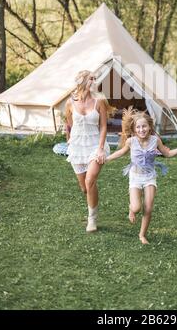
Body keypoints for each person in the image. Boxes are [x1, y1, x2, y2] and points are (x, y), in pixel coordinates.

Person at [105, 108, 177, 245]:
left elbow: (167, 153)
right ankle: (132, 209)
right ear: (134, 129)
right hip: (135, 177)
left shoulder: (155, 140)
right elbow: (120, 153)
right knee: (137, 207)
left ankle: (142, 235)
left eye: (144, 126)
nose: (141, 129)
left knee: (148, 208)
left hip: (149, 177)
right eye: (138, 127)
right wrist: (107, 159)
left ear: (149, 127)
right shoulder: (131, 142)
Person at [65, 70, 111, 233]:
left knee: (90, 180)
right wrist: (69, 139)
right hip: (77, 146)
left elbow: (104, 126)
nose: (95, 81)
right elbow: (69, 123)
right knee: (85, 188)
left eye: (95, 78)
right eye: (91, 78)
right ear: (82, 81)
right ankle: (92, 202)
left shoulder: (99, 100)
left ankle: (92, 219)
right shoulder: (70, 102)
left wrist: (100, 148)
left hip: (95, 145)